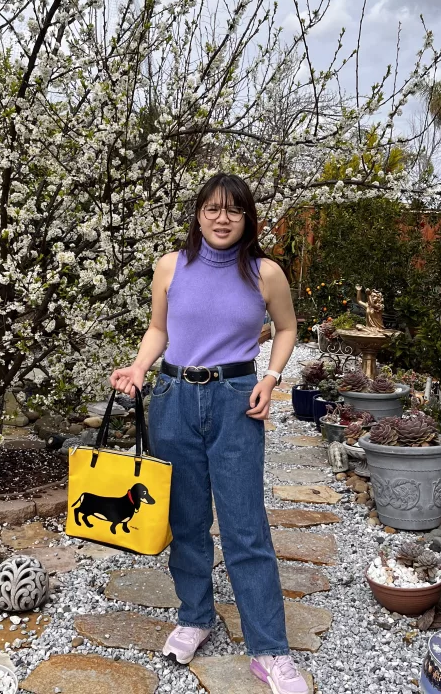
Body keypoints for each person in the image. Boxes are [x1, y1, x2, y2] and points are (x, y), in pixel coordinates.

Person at [110, 173, 306, 694]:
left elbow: (286, 328)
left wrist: (271, 376)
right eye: (213, 209)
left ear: (248, 218)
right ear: (198, 214)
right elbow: (160, 330)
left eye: (234, 211)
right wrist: (137, 369)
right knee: (186, 520)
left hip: (235, 400)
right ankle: (196, 615)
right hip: (174, 399)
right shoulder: (171, 266)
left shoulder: (266, 273)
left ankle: (269, 650)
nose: (222, 219)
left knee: (245, 526)